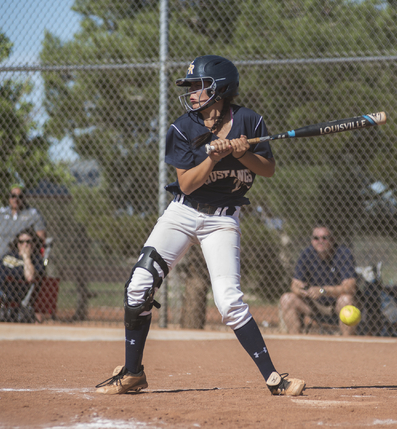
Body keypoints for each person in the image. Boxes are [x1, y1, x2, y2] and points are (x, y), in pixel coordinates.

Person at [94, 55, 305, 396]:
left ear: (219, 90)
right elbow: (188, 184)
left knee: (229, 301)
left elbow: (267, 168)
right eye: (190, 87)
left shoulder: (249, 121)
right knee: (139, 285)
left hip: (223, 219)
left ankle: (274, 379)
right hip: (183, 212)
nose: (192, 93)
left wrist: (240, 153)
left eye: (198, 86)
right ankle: (132, 373)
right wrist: (214, 156)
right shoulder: (182, 128)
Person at [280, 225, 358, 335]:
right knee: (287, 299)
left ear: (332, 239)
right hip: (314, 305)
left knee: (346, 300)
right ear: (312, 241)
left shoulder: (343, 254)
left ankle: (347, 343)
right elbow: (294, 284)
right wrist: (302, 290)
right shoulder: (306, 254)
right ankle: (296, 342)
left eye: (324, 238)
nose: (320, 241)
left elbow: (350, 287)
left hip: (336, 304)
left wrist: (322, 290)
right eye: (316, 238)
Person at [0, 227, 46, 310]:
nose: (25, 244)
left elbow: (30, 277)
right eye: (21, 242)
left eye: (28, 241)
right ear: (17, 243)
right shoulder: (10, 254)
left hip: (8, 293)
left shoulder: (36, 259)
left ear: (34, 243)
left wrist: (26, 257)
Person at [0, 185, 47, 263]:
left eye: (19, 196)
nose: (16, 199)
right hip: (1, 260)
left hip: (21, 261)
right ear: (9, 198)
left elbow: (41, 238)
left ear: (24, 198)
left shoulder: (32, 214)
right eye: (13, 196)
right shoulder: (1, 213)